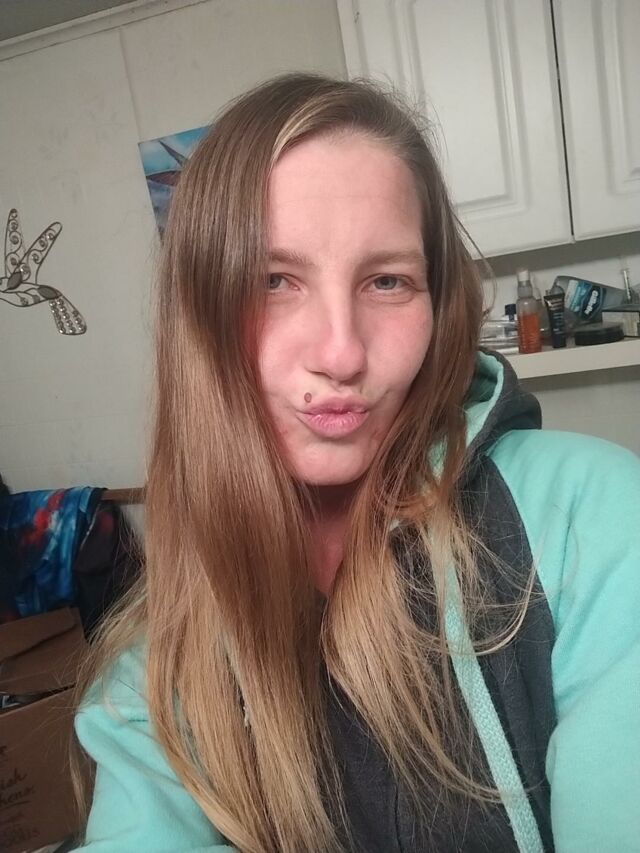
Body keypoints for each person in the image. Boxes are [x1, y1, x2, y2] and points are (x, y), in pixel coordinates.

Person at [70, 73, 640, 853]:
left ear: (438, 303)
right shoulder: (158, 667)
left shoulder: (593, 521)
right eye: (274, 281)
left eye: (387, 281)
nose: (340, 352)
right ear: (199, 312)